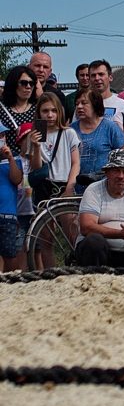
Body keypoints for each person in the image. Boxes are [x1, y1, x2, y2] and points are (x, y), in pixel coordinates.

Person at [24, 92, 80, 206]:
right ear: (39, 113)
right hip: (44, 185)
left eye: (54, 110)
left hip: (64, 183)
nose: (50, 115)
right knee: (45, 220)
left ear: (59, 111)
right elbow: (36, 168)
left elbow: (76, 163)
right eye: (45, 111)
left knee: (68, 220)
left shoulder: (68, 133)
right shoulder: (33, 136)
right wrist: (36, 146)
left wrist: (70, 186)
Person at [72, 89, 124, 192]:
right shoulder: (71, 130)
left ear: (95, 105)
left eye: (84, 103)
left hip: (105, 187)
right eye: (77, 103)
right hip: (76, 188)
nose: (79, 107)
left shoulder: (110, 127)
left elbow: (123, 154)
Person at [0, 124, 24, 272]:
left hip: (8, 215)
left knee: (10, 253)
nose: (1, 138)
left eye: (2, 135)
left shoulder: (14, 158)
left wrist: (10, 158)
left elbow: (16, 179)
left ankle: (10, 281)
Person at [0, 66, 39, 156]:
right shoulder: (1, 108)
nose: (28, 86)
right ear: (13, 84)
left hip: (33, 161)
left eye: (31, 83)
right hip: (7, 161)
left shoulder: (39, 108)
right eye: (24, 83)